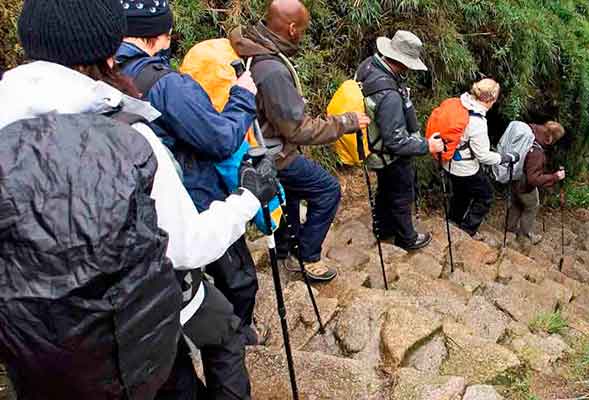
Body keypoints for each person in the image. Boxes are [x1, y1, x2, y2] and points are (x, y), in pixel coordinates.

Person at [0, 0, 278, 398]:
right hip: (134, 351)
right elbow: (186, 247)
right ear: (109, 51)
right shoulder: (128, 136)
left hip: (34, 357)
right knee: (222, 336)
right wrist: (250, 197)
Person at [114, 0, 264, 345]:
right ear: (161, 35)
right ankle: (236, 337)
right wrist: (242, 96)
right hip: (193, 196)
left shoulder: (104, 73)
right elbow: (221, 139)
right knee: (237, 278)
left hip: (138, 213)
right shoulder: (167, 85)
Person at [229, 0, 371, 282]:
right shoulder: (271, 70)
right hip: (274, 154)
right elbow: (297, 129)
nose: (303, 35)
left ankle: (284, 251)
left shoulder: (251, 47)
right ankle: (308, 257)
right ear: (292, 28)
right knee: (327, 190)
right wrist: (346, 122)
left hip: (257, 146)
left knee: (290, 196)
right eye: (302, 30)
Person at [356, 31, 445, 251]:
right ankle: (407, 238)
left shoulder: (369, 66)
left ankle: (383, 228)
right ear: (402, 62)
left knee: (386, 189)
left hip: (374, 146)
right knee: (401, 194)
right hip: (390, 153)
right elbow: (396, 141)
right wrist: (428, 146)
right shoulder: (389, 95)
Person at [443, 78, 518, 240]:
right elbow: (483, 156)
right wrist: (505, 157)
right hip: (465, 168)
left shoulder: (460, 103)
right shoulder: (477, 122)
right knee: (485, 196)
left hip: (448, 160)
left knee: (461, 192)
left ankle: (453, 220)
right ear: (491, 99)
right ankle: (467, 231)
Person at [507, 121, 567, 245]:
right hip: (524, 184)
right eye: (555, 140)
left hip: (514, 176)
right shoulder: (537, 152)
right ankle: (525, 235)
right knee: (532, 205)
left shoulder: (531, 132)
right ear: (550, 138)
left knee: (517, 202)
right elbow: (533, 179)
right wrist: (555, 177)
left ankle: (510, 227)